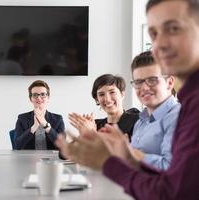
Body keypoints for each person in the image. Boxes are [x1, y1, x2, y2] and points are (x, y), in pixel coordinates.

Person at [56, 0, 199, 199]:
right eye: (154, 34)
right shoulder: (143, 119)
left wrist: (112, 160)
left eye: (173, 28)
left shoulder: (183, 111)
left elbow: (172, 189)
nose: (160, 44)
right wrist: (123, 154)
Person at [14, 80, 65, 150]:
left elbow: (63, 146)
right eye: (35, 95)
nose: (39, 98)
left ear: (48, 98)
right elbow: (17, 146)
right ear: (30, 99)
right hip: (28, 159)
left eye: (43, 94)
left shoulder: (58, 119)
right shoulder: (22, 118)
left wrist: (45, 125)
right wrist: (34, 127)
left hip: (52, 159)